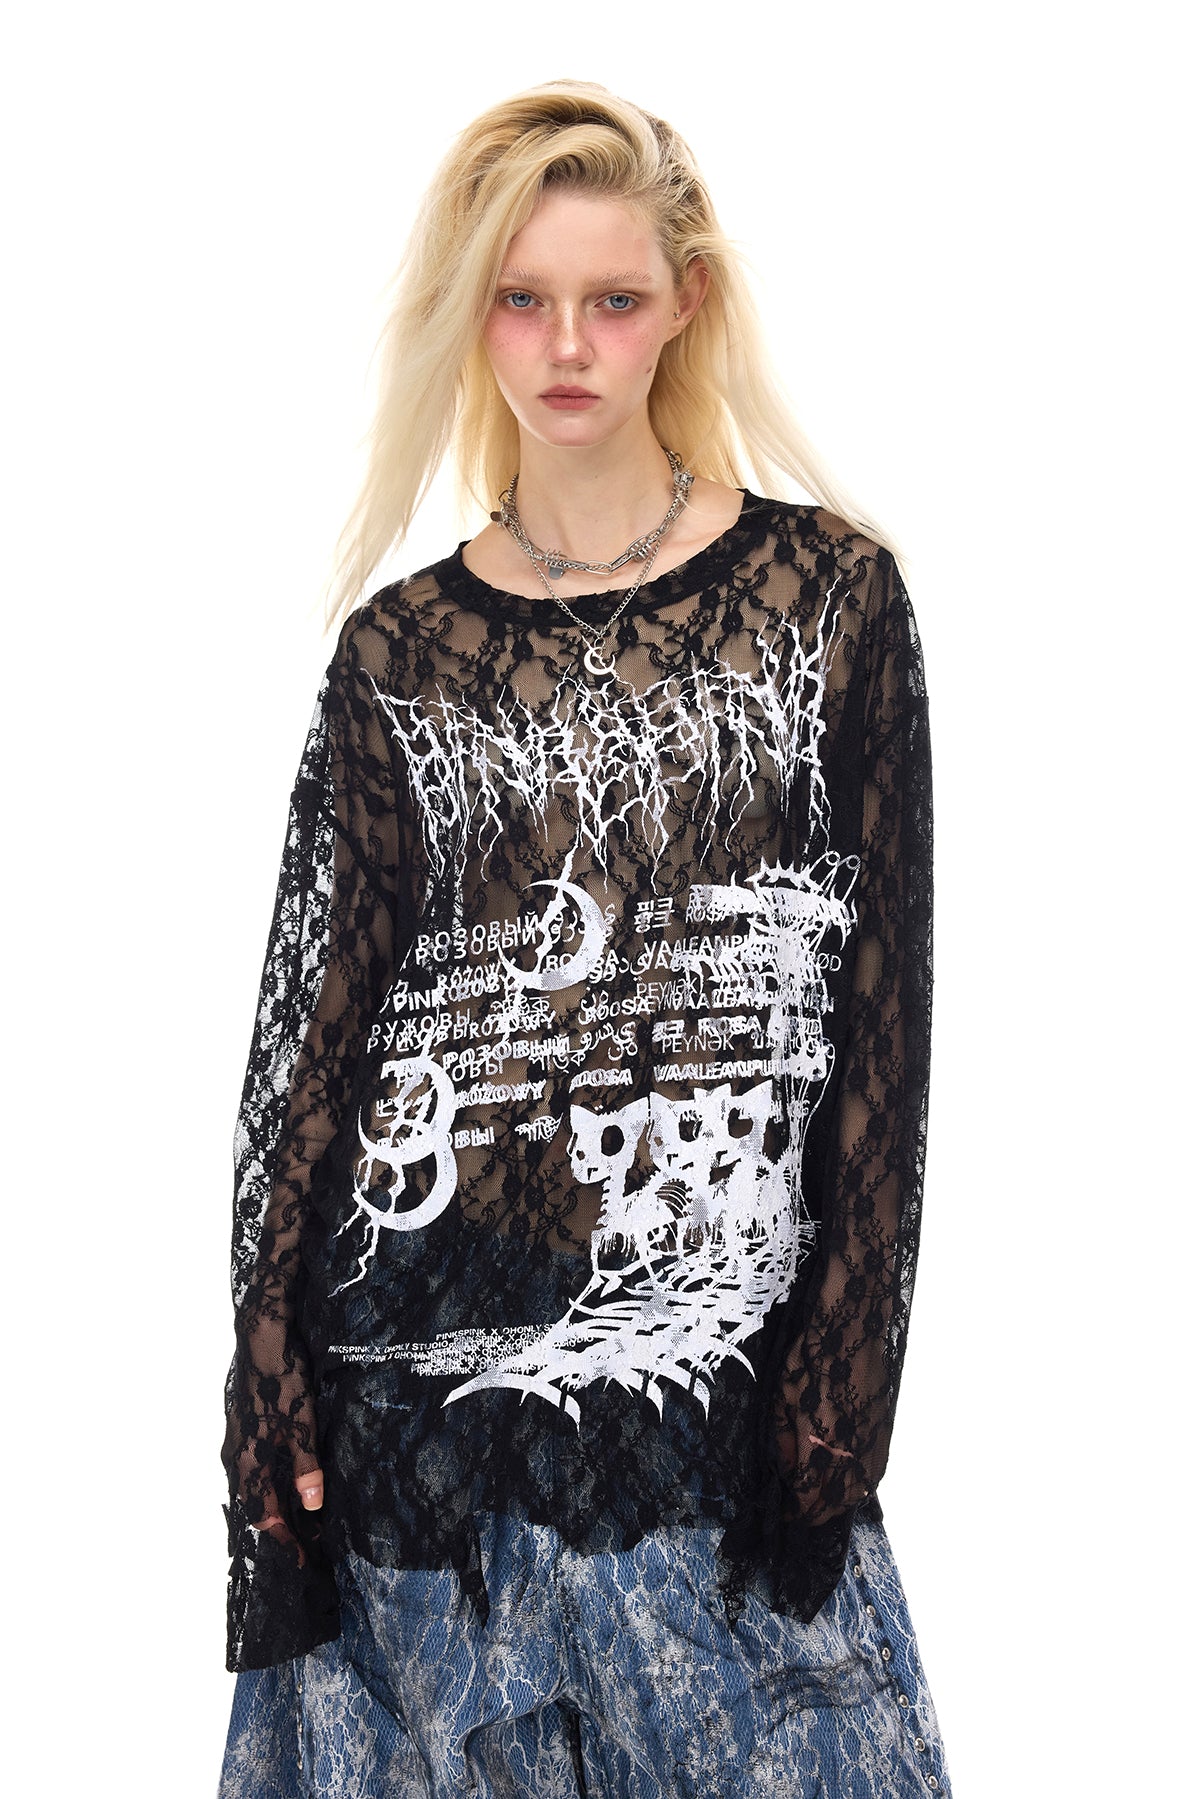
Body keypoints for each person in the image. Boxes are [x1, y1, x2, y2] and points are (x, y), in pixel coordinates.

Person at [218, 78, 951, 1799]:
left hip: (714, 1419)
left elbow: (885, 1020)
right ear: (468, 313)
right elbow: (313, 1039)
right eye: (521, 298)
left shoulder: (832, 600)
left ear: (685, 302)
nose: (566, 346)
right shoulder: (396, 655)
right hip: (415, 1429)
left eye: (612, 298)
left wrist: (839, 1380)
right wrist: (266, 1363)